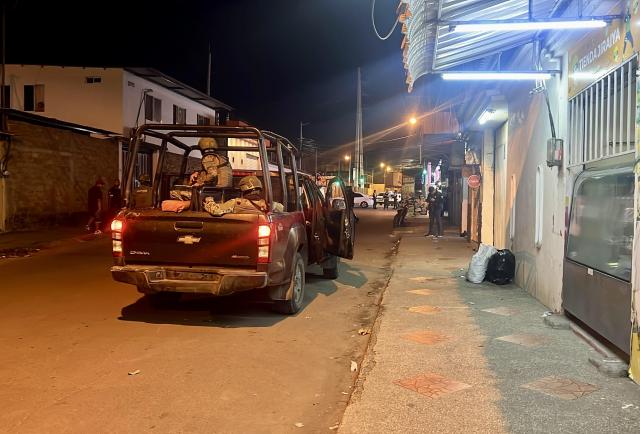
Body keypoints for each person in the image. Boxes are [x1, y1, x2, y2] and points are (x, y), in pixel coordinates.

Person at [204, 175, 284, 216]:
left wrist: (209, 201)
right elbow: (283, 210)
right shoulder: (269, 205)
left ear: (243, 189)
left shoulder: (236, 202)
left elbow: (216, 211)